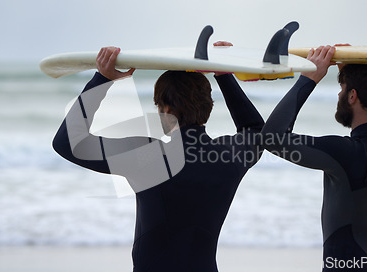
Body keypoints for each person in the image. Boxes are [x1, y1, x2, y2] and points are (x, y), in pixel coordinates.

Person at [52, 45, 264, 272]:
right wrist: (223, 74)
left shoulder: (147, 155)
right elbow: (256, 131)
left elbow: (67, 142)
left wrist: (102, 79)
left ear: (165, 108)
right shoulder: (228, 156)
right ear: (208, 106)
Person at [261, 45, 367, 271]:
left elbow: (272, 137)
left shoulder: (347, 152)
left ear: (352, 96)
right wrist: (351, 73)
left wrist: (309, 79)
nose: (339, 94)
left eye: (342, 88)